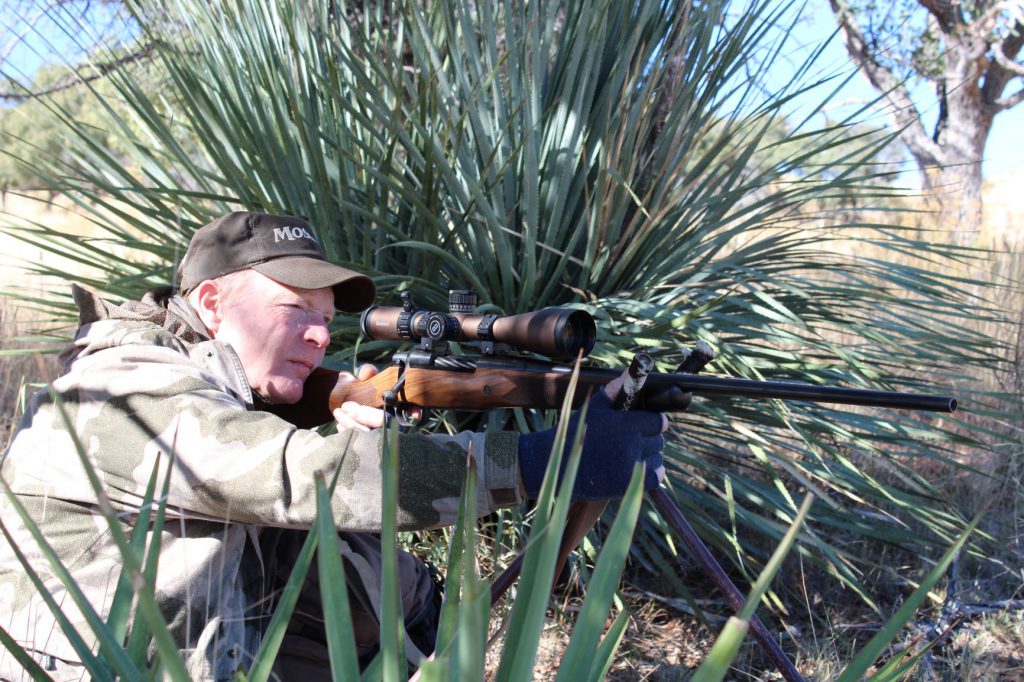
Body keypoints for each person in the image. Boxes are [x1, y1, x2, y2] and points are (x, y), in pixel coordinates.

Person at [0, 211, 665, 681]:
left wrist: (419, 611)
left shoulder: (229, 396)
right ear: (209, 302)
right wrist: (536, 462)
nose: (319, 336)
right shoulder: (125, 390)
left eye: (324, 320)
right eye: (295, 311)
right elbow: (303, 476)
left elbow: (323, 569)